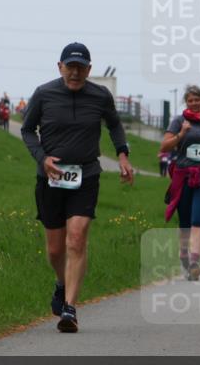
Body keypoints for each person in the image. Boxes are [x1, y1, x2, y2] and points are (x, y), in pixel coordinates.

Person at [21, 42, 134, 333]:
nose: (75, 72)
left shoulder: (100, 95)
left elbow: (114, 124)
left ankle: (70, 309)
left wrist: (123, 154)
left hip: (86, 175)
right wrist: (42, 158)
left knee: (77, 238)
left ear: (89, 69)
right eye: (70, 67)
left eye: (81, 68)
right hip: (50, 178)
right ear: (60, 67)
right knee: (55, 249)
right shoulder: (44, 94)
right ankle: (61, 284)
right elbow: (27, 130)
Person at [161, 85, 200, 281]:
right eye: (190, 100)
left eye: (197, 100)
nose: (194, 103)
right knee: (185, 222)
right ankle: (184, 255)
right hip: (183, 175)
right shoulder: (179, 121)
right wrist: (181, 134)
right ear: (186, 102)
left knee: (198, 219)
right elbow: (164, 146)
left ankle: (194, 261)